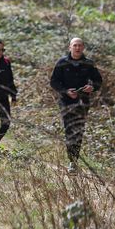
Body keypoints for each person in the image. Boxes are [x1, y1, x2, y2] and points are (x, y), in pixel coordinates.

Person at [49, 37, 103, 172]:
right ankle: (71, 160)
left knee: (79, 130)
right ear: (70, 47)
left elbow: (98, 81)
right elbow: (54, 82)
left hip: (83, 101)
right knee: (69, 129)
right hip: (66, 101)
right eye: (75, 45)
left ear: (83, 48)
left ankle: (74, 161)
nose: (77, 48)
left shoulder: (89, 63)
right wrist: (65, 91)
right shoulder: (62, 62)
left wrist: (92, 87)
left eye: (80, 45)